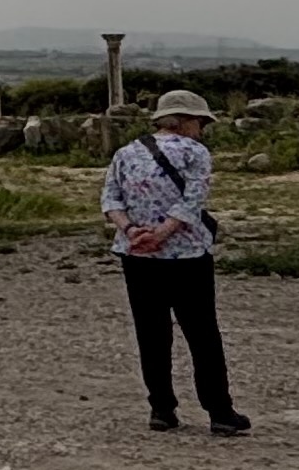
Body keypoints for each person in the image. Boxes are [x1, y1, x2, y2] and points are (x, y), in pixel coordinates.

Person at [101, 90, 246, 435]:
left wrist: (132, 230)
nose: (202, 129)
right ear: (185, 121)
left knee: (151, 332)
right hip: (187, 253)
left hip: (137, 253)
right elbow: (192, 201)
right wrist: (163, 233)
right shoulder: (195, 152)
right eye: (200, 122)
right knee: (202, 332)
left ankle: (161, 408)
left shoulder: (126, 152)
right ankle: (219, 410)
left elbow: (110, 199)